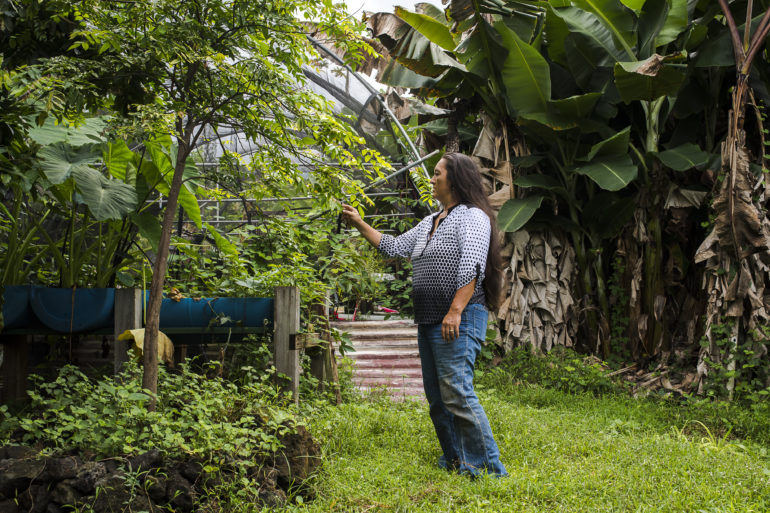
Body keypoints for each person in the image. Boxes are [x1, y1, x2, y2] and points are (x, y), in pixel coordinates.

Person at [341, 152, 508, 478]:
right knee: (438, 399)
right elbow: (392, 246)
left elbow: (472, 263)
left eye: (437, 173)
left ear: (455, 178)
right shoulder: (431, 221)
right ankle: (458, 461)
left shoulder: (472, 216)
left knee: (457, 393)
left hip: (459, 315)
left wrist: (455, 310)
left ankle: (488, 469)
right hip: (430, 318)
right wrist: (359, 222)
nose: (431, 179)